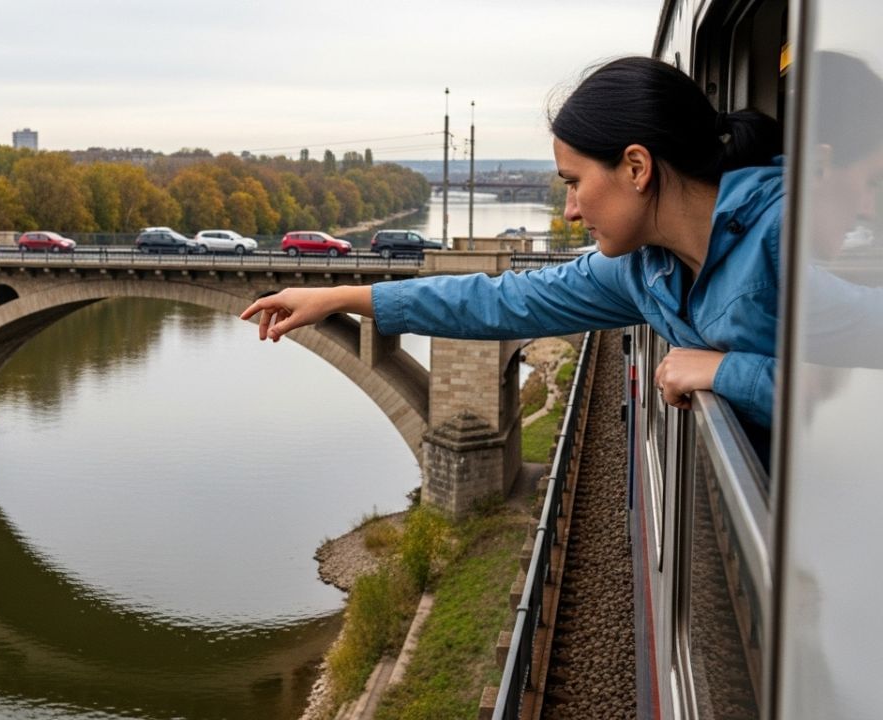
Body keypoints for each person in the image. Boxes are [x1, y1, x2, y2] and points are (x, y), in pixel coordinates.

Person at [241, 56, 783, 449]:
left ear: (636, 169)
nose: (570, 211)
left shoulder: (791, 236)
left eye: (574, 182)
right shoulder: (644, 269)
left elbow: (862, 405)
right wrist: (340, 297)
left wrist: (727, 373)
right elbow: (501, 300)